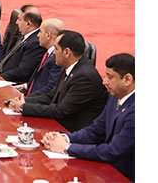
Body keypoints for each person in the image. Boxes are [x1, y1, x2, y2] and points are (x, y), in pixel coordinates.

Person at [41, 53, 135, 181]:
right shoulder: (115, 98)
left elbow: (113, 151)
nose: (104, 82)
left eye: (110, 77)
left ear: (127, 80)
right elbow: (95, 131)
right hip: (106, 171)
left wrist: (67, 148)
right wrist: (64, 138)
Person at [7, 30, 108, 132]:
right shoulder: (69, 68)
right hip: (58, 124)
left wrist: (24, 107)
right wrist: (22, 101)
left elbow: (61, 111)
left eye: (56, 48)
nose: (54, 52)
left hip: (72, 132)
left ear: (67, 52)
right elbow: (51, 96)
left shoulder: (85, 77)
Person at [15, 18, 65, 97]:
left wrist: (25, 100)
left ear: (48, 35)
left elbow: (50, 89)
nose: (38, 35)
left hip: (35, 101)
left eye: (40, 32)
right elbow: (41, 79)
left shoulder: (57, 59)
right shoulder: (48, 52)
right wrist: (26, 86)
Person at [0, 8, 46, 83]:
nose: (16, 22)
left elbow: (23, 72)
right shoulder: (25, 35)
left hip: (9, 81)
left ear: (28, 23)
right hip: (0, 74)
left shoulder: (35, 43)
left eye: (19, 19)